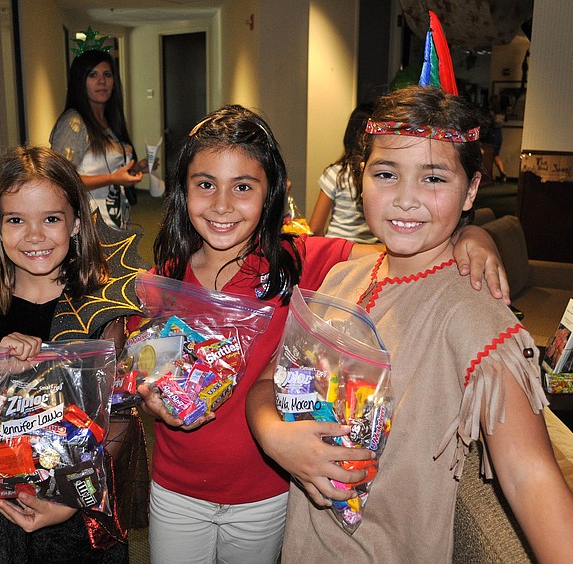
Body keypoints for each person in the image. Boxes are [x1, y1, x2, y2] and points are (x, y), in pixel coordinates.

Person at [135, 104, 511, 564]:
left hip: (266, 492)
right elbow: (150, 364)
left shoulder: (299, 259)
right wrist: (151, 393)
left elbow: (398, 245)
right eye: (205, 184)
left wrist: (474, 237)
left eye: (244, 187)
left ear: (272, 193)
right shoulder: (164, 278)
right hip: (177, 487)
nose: (221, 205)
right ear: (183, 190)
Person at [246, 87, 573, 562]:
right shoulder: (341, 277)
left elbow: (530, 475)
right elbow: (268, 382)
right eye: (386, 174)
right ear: (360, 179)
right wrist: (275, 435)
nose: (406, 199)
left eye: (433, 178)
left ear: (471, 190)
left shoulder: (471, 310)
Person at [0, 147, 149, 563]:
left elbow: (120, 417)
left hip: (78, 508)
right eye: (15, 220)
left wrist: (69, 504)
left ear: (76, 223)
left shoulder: (102, 310)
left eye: (51, 218)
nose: (34, 236)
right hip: (1, 505)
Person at [50, 48, 151, 230]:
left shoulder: (110, 121)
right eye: (93, 75)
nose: (101, 81)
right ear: (80, 82)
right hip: (88, 222)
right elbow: (59, 180)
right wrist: (112, 178)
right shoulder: (73, 123)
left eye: (107, 74)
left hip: (115, 217)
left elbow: (105, 167)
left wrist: (134, 168)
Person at [308, 103, 377, 243]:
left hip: (339, 251)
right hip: (371, 253)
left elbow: (315, 227)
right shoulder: (381, 176)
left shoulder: (336, 173)